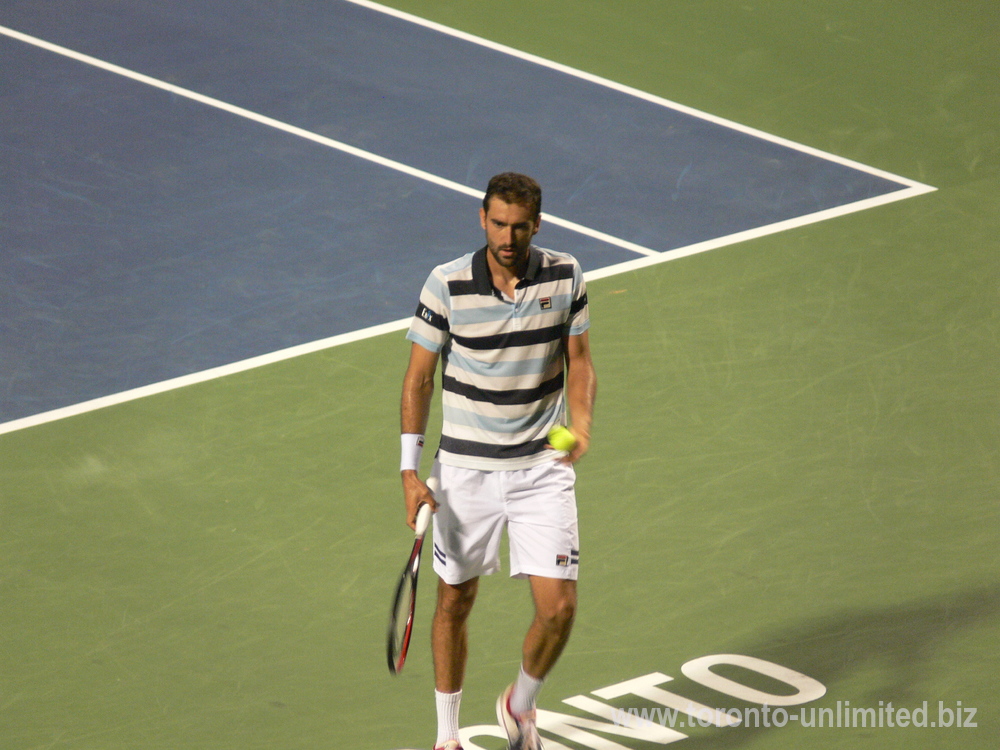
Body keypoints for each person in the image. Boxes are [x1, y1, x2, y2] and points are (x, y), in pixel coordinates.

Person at [399, 172, 597, 750]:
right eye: (498, 224)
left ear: (537, 225)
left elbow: (579, 359)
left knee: (558, 609)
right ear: (481, 219)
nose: (507, 237)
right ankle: (448, 738)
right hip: (464, 471)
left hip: (541, 468)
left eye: (519, 227)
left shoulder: (567, 276)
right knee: (454, 600)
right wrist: (410, 472)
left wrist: (580, 424)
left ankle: (520, 706)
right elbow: (418, 377)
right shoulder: (446, 284)